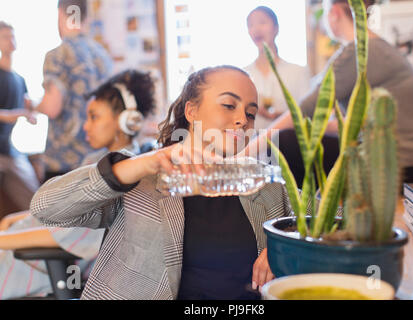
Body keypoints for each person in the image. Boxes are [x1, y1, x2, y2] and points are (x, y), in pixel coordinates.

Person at [30, 65, 291, 300]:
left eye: (251, 113)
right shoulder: (140, 181)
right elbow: (46, 207)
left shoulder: (267, 186)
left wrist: (286, 245)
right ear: (192, 110)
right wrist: (143, 163)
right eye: (229, 105)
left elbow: (330, 220)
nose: (242, 120)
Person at [0, 69, 157, 300]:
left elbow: (66, 234)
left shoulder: (121, 176)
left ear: (126, 121)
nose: (86, 126)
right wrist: (14, 219)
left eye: (94, 117)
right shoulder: (94, 160)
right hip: (22, 241)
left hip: (40, 260)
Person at [251, 0, 413, 184]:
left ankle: (309, 213)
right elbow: (350, 122)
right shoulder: (374, 46)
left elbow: (305, 108)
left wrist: (247, 151)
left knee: (285, 142)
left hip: (402, 162)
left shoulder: (358, 51)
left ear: (334, 13)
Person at [33, 0, 113, 182]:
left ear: (61, 14)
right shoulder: (103, 55)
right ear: (86, 16)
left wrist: (35, 105)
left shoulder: (58, 55)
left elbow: (53, 107)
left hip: (63, 161)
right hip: (97, 160)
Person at [245, 6, 310, 130]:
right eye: (251, 24)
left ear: (276, 28)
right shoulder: (244, 75)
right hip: (253, 145)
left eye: (262, 22)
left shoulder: (298, 72)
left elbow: (308, 115)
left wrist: (283, 117)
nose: (256, 29)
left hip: (288, 143)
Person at [0, 21, 40, 215]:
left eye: (13, 36)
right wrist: (14, 115)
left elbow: (27, 106)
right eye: (6, 37)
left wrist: (30, 115)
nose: (11, 41)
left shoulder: (19, 79)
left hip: (9, 150)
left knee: (36, 201)